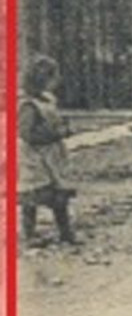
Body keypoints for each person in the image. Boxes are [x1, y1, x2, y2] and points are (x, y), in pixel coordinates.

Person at [18, 55, 78, 247]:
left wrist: (63, 128)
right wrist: (54, 135)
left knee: (60, 194)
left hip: (52, 155)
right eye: (53, 77)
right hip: (34, 157)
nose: (57, 81)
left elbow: (53, 120)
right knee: (32, 197)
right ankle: (29, 235)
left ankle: (66, 233)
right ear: (42, 79)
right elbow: (26, 133)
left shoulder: (48, 99)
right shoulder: (27, 104)